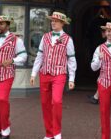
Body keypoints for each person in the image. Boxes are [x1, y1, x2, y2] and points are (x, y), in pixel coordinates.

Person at [30, 11, 77, 139]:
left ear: (62, 23)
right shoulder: (45, 37)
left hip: (59, 74)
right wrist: (34, 73)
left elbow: (71, 59)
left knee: (56, 101)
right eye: (52, 21)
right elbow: (39, 55)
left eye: (55, 21)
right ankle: (49, 133)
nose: (53, 23)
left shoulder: (68, 39)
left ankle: (57, 132)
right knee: (45, 104)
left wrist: (71, 78)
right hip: (45, 73)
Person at [88, 28, 106, 105]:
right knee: (102, 81)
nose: (102, 33)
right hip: (103, 67)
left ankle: (96, 97)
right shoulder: (101, 45)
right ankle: (95, 97)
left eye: (103, 32)